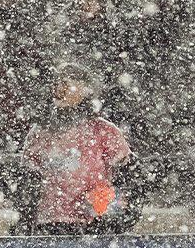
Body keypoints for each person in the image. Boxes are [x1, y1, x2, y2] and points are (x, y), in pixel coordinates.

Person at [20, 63, 133, 235]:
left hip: (95, 223)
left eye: (66, 84)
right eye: (57, 84)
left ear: (85, 91)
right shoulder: (39, 133)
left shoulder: (103, 131)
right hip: (50, 223)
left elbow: (129, 176)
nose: (60, 90)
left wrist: (112, 212)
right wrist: (27, 218)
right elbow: (28, 182)